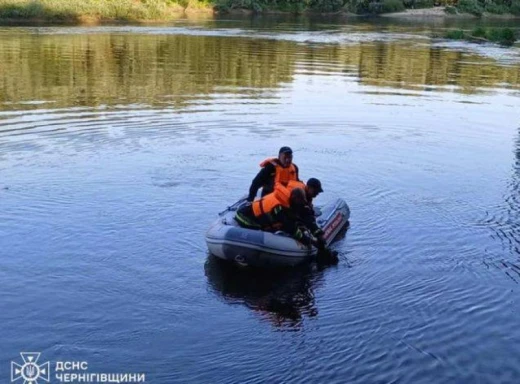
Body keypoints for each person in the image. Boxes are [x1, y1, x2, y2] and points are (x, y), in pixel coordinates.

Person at [236, 186, 315, 247]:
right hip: (244, 216)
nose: (300, 204)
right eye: (299, 201)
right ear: (294, 198)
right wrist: (305, 239)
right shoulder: (278, 206)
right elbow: (289, 225)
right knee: (263, 229)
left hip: (257, 216)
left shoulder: (287, 203)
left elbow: (291, 219)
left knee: (278, 224)